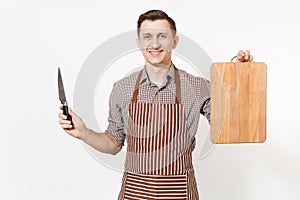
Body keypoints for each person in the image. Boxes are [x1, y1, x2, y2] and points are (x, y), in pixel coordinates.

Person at [58, 10, 252, 200]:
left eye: (162, 36)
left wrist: (240, 75)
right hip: (134, 193)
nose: (155, 44)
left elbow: (230, 126)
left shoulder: (197, 86)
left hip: (179, 193)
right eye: (147, 36)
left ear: (174, 41)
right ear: (139, 43)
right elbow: (113, 144)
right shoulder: (122, 89)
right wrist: (84, 133)